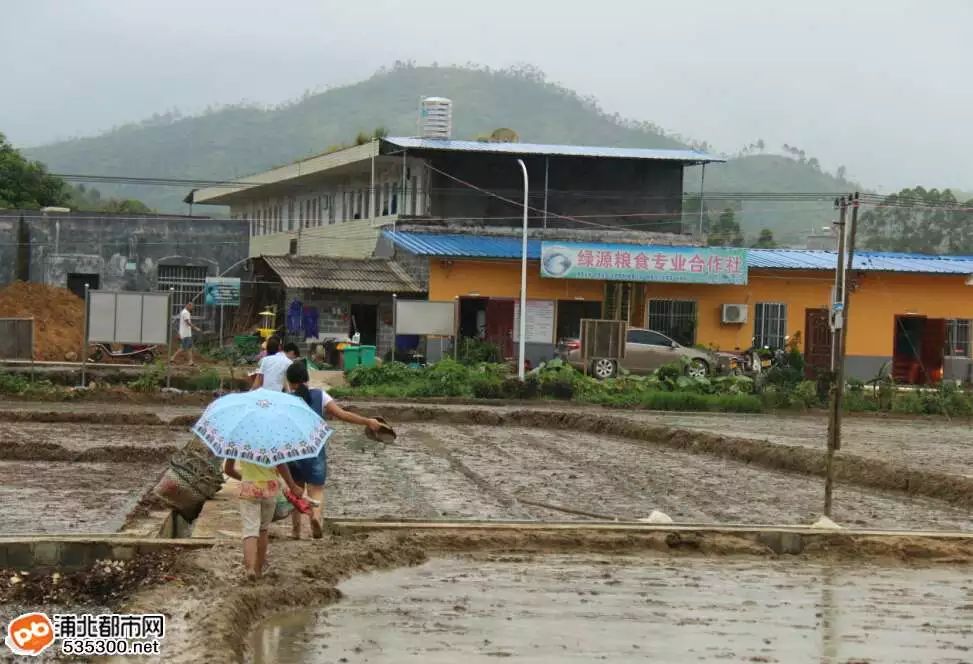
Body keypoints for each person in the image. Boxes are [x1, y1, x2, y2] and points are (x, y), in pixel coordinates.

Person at [285, 361, 384, 539]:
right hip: (315, 451)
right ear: (307, 378)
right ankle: (315, 517)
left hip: (294, 451)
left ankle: (296, 531)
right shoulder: (320, 395)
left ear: (290, 382)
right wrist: (368, 421)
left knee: (296, 491)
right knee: (317, 490)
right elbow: (342, 414)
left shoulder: (285, 400)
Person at [222, 458, 303, 581]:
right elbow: (282, 465)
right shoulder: (272, 443)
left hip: (249, 488)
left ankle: (249, 569)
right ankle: (258, 570)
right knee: (263, 530)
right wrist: (292, 486)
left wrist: (244, 479)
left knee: (250, 531)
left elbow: (228, 470)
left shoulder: (239, 443)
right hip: (269, 488)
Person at [170, 302, 201, 366]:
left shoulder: (184, 312)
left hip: (187, 333)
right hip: (185, 334)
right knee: (183, 348)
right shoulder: (185, 313)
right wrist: (196, 328)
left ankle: (190, 362)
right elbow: (188, 323)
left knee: (189, 348)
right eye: (192, 306)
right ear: (188, 305)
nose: (192, 308)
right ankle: (172, 358)